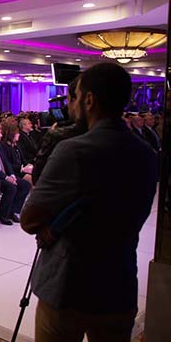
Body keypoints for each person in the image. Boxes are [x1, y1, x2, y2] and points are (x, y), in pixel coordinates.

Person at [21, 63, 158, 341]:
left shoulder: (72, 150)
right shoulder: (145, 152)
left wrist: (54, 226)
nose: (70, 106)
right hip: (119, 283)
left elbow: (29, 219)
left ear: (89, 100)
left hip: (69, 284)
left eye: (75, 98)